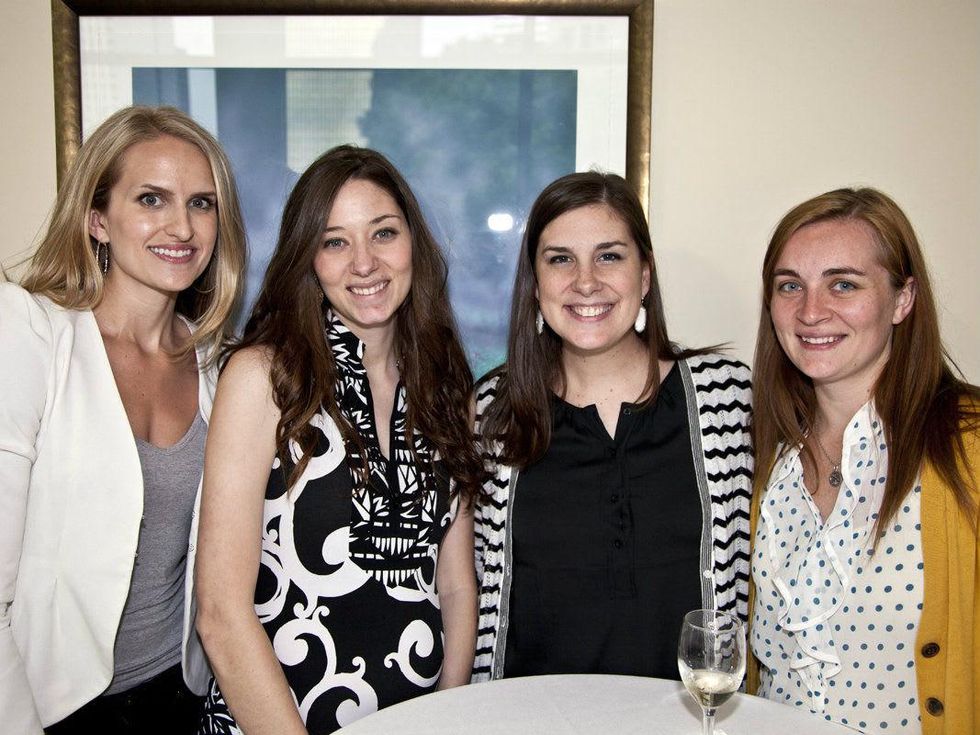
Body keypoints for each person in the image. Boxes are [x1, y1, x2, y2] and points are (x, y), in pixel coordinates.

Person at [195, 145, 484, 734]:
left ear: (414, 245)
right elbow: (220, 614)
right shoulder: (262, 378)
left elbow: (454, 585)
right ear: (309, 259)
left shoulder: (449, 386)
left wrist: (449, 718)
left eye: (383, 233)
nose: (364, 263)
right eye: (335, 241)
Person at [0, 105, 247, 733]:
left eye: (202, 203)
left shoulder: (222, 369)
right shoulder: (31, 337)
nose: (182, 226)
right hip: (50, 706)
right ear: (97, 219)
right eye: (151, 199)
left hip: (181, 697)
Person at [471, 171, 753, 681]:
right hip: (523, 718)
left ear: (644, 276)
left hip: (690, 719)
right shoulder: (493, 411)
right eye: (560, 259)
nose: (585, 282)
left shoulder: (725, 398)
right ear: (535, 285)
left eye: (609, 255)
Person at [747, 187, 979, 735]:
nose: (810, 311)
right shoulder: (764, 461)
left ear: (902, 299)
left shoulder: (968, 445)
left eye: (843, 284)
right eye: (789, 286)